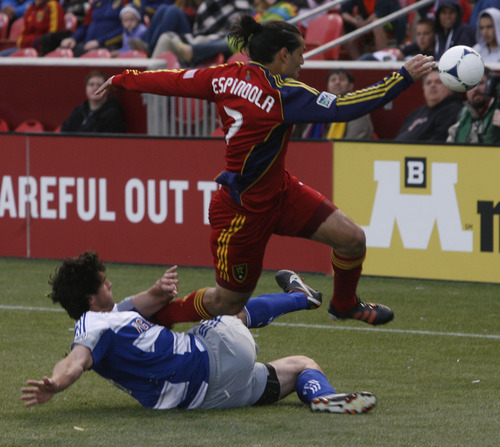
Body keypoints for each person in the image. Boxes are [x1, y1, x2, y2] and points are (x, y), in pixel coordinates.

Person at [95, 16, 434, 328]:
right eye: (301, 54)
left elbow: (176, 80)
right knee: (227, 302)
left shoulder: (223, 76)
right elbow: (345, 108)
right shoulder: (282, 93)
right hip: (241, 214)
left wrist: (124, 80)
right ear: (283, 55)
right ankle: (148, 321)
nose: (304, 61)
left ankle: (343, 304)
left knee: (352, 240)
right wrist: (402, 77)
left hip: (280, 194)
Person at [21, 250, 377, 414]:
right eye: (103, 282)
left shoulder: (113, 314)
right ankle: (300, 297)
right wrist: (56, 383)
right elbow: (74, 361)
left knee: (302, 363)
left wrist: (161, 287)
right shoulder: (92, 324)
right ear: (90, 297)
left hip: (205, 399)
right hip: (212, 358)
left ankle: (320, 397)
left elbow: (151, 299)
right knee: (225, 305)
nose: (109, 282)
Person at [294, 69, 374, 139]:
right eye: (333, 80)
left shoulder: (358, 107)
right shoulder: (318, 107)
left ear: (350, 86)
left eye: (342, 79)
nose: (337, 82)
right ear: (327, 86)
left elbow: (354, 140)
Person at [395, 68, 462, 142]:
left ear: (450, 87)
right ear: (424, 89)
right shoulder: (415, 113)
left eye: (438, 82)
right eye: (428, 83)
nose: (432, 85)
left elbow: (438, 143)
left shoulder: (452, 111)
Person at [60, 0, 138, 57]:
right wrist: (73, 38)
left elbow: (127, 29)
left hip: (110, 45)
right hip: (87, 44)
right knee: (64, 50)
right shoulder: (96, 3)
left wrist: (99, 41)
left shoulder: (126, 2)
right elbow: (85, 25)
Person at [447, 68, 500, 144]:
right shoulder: (462, 116)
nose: (476, 88)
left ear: (492, 86)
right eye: (471, 85)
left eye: (481, 83)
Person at [61, 70, 125, 133]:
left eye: (99, 84)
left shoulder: (112, 114)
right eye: (91, 84)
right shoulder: (78, 111)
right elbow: (63, 132)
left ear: (107, 89)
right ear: (86, 87)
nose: (95, 87)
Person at [340, 0, 407, 60]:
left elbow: (379, 13)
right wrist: (354, 21)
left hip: (391, 23)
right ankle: (358, 63)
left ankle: (381, 58)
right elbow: (343, 11)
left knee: (376, 23)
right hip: (367, 22)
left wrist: (363, 23)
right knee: (342, 26)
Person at [0, 0, 64, 56]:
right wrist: (23, 44)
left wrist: (35, 43)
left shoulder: (52, 6)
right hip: (24, 48)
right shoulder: (30, 8)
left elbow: (53, 36)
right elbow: (23, 33)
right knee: (2, 56)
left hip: (41, 51)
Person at [359, 18, 436, 61]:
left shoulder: (436, 53)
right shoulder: (414, 47)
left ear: (434, 35)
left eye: (426, 33)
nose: (421, 37)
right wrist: (403, 51)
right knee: (368, 57)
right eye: (418, 34)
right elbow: (409, 48)